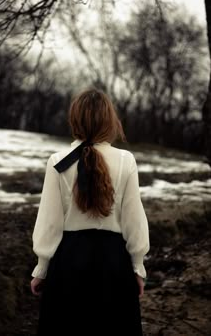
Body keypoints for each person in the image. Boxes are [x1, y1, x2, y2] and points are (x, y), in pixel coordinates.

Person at [30, 88, 150, 335]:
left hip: (69, 262)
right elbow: (134, 220)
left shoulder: (58, 161)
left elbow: (49, 222)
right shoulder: (126, 160)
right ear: (109, 121)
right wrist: (137, 267)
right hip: (114, 264)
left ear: (74, 119)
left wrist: (42, 269)